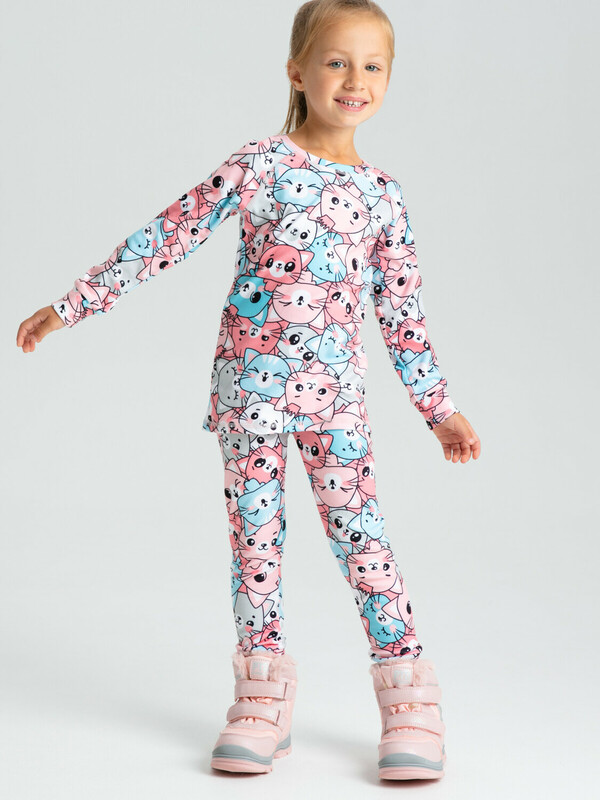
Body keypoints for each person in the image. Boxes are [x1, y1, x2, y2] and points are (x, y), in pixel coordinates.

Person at [16, 0, 480, 782]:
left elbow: (402, 315)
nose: (354, 80)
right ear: (297, 72)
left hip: (336, 406)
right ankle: (261, 698)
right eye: (336, 61)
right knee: (254, 546)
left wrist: (440, 410)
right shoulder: (259, 163)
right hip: (247, 397)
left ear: (390, 78)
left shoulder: (383, 196)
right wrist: (74, 304)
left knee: (362, 540)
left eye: (372, 66)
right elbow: (169, 233)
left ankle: (410, 700)